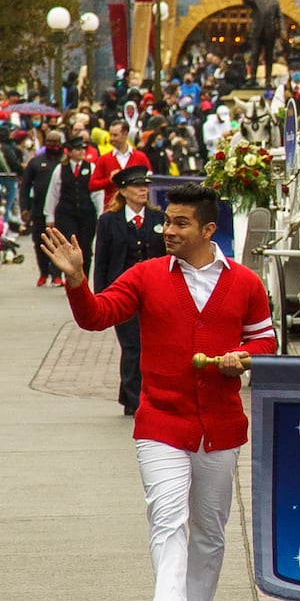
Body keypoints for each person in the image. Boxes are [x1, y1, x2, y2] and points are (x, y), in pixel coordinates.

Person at [41, 183, 275, 601]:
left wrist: (241, 357)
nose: (167, 229)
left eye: (180, 223)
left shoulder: (247, 282)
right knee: (167, 515)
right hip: (161, 421)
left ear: (209, 229)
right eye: (166, 221)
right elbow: (97, 316)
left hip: (221, 426)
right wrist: (75, 280)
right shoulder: (145, 275)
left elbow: (264, 342)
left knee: (209, 526)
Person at [94, 166, 168, 416]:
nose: (143, 190)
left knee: (152, 346)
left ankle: (139, 395)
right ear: (123, 191)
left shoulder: (159, 218)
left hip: (155, 293)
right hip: (121, 294)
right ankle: (135, 399)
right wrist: (100, 299)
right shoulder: (108, 221)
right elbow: (101, 260)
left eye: (145, 185)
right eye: (137, 186)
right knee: (132, 346)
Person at [45, 137, 100, 267]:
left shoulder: (91, 167)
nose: (81, 152)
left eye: (83, 149)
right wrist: (49, 215)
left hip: (87, 213)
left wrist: (100, 213)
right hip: (66, 213)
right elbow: (53, 193)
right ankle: (71, 276)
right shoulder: (60, 169)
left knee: (85, 247)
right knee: (69, 246)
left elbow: (97, 193)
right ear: (69, 152)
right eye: (77, 149)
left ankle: (84, 277)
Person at [21, 131, 65, 286]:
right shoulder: (36, 162)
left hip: (60, 210)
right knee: (40, 243)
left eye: (56, 142)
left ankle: (56, 274)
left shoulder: (64, 163)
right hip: (39, 210)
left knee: (58, 244)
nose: (54, 145)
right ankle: (43, 273)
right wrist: (24, 208)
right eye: (50, 142)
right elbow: (25, 186)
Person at [88, 121, 153, 211]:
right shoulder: (104, 159)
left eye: (115, 135)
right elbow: (92, 185)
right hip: (112, 210)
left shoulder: (141, 157)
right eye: (111, 135)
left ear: (125, 134)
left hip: (137, 209)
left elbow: (150, 180)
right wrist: (109, 180)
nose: (111, 138)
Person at [241, 0, 282, 86]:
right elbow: (247, 3)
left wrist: (283, 29)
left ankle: (268, 79)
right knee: (254, 55)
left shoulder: (275, 2)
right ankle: (252, 78)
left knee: (269, 56)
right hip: (257, 32)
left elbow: (280, 17)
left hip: (270, 32)